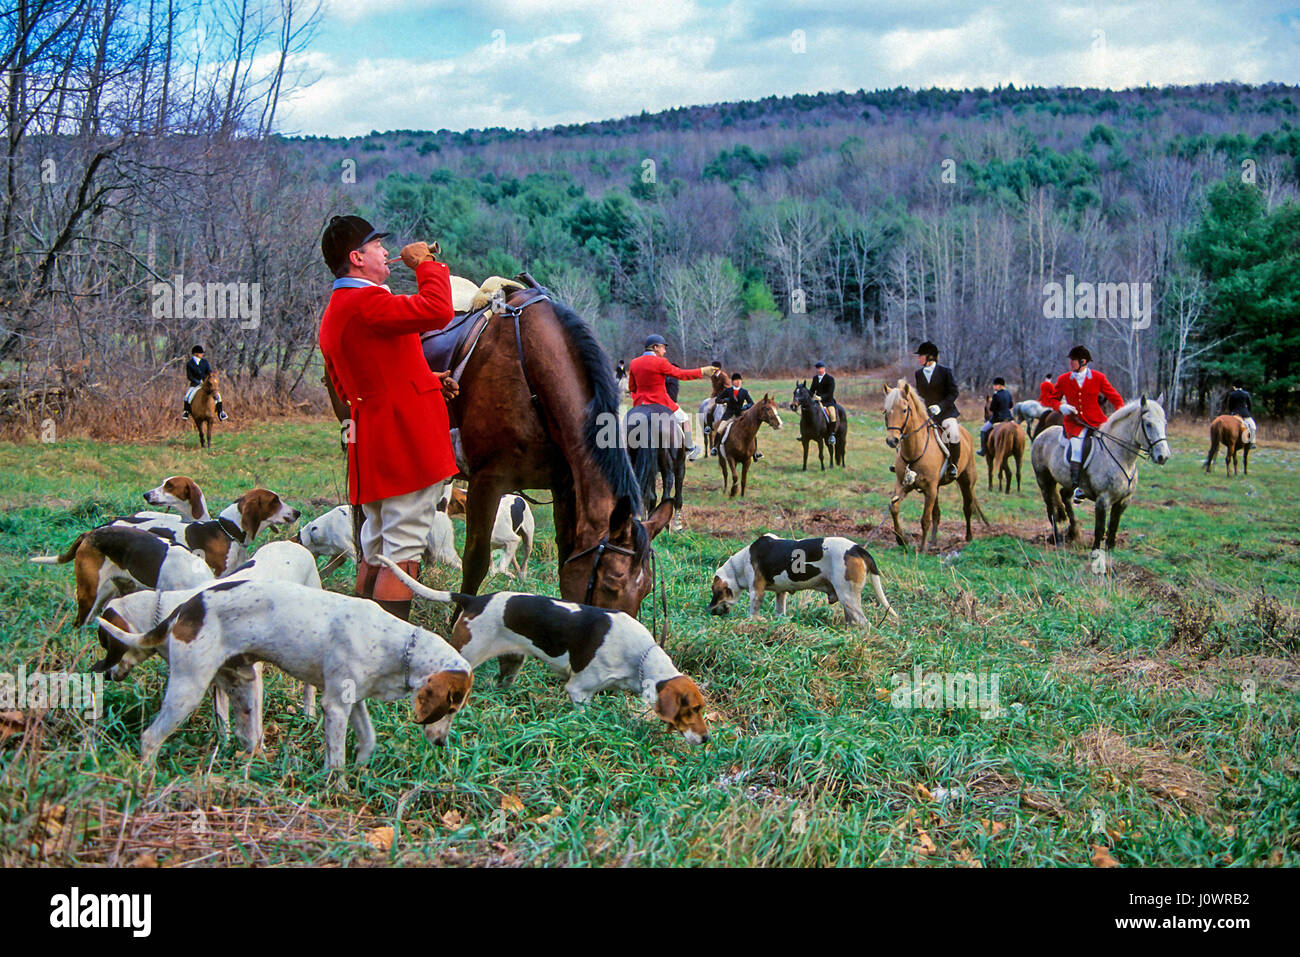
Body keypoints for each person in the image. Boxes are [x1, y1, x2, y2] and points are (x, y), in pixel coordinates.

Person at [317, 214, 459, 621]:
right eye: (377, 244)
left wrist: (427, 380)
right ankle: (386, 647)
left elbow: (354, 383)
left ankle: (362, 632)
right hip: (404, 440)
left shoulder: (337, 309)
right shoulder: (367, 301)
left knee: (377, 541)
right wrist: (425, 265)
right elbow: (437, 310)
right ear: (357, 257)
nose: (385, 251)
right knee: (403, 545)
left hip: (373, 438)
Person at [1043, 345, 1124, 506]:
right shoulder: (1063, 379)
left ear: (1083, 361)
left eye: (1073, 361)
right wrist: (1060, 407)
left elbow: (1115, 398)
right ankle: (1077, 487)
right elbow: (1050, 399)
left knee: (1108, 447)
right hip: (1075, 424)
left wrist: (1119, 416)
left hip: (1097, 421)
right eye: (1071, 360)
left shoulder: (1099, 377)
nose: (1070, 363)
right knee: (1077, 448)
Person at [628, 335, 717, 461]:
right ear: (655, 348)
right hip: (661, 403)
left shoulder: (634, 363)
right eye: (663, 348)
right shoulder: (661, 362)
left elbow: (632, 387)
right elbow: (680, 374)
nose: (664, 351)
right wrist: (702, 371)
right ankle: (690, 448)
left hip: (639, 405)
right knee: (685, 419)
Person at [912, 341, 963, 479]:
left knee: (953, 433)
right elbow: (920, 395)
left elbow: (954, 393)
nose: (918, 358)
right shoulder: (919, 374)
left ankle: (953, 464)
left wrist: (940, 406)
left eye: (921, 356)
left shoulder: (945, 372)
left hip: (946, 412)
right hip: (927, 414)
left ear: (930, 357)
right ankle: (906, 464)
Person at [715, 372, 760, 459]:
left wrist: (745, 407)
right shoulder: (728, 391)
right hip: (729, 414)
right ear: (732, 382)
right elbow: (717, 399)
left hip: (740, 414)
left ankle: (755, 451)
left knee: (752, 432)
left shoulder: (744, 392)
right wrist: (725, 400)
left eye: (739, 380)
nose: (738, 382)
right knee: (720, 429)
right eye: (736, 380)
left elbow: (751, 403)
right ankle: (715, 448)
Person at [182, 345, 226, 421]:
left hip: (206, 384)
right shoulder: (190, 364)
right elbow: (189, 376)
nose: (202, 354)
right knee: (187, 396)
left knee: (218, 396)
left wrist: (211, 376)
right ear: (196, 354)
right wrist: (197, 381)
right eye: (201, 353)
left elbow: (209, 371)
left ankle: (221, 412)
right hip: (195, 385)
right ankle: (186, 412)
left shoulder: (204, 362)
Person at [978, 377, 1014, 457]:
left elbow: (992, 408)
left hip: (998, 418)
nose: (994, 387)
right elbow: (1011, 405)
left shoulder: (996, 395)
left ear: (1000, 385)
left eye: (995, 385)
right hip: (1009, 418)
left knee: (983, 430)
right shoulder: (1008, 393)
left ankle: (983, 450)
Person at [810, 360, 837, 445]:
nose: (819, 370)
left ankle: (832, 435)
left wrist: (821, 397)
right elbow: (812, 390)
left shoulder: (830, 379)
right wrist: (809, 396)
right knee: (807, 411)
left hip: (828, 401)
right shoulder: (815, 378)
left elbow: (830, 393)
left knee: (832, 415)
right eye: (818, 369)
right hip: (817, 402)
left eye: (821, 368)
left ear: (824, 369)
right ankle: (805, 432)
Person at [1224, 382, 1257, 448]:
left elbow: (1230, 405)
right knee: (1253, 427)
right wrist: (1248, 412)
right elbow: (1250, 405)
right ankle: (1251, 443)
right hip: (1245, 414)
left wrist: (1231, 413)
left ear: (1234, 387)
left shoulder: (1232, 394)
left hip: (1235, 414)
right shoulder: (1246, 394)